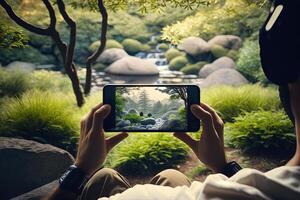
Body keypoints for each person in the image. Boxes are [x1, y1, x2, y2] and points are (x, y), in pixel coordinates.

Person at [46, 1, 300, 199]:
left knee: (103, 177)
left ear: (283, 73)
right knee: (172, 176)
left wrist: (80, 169)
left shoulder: (143, 197)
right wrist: (222, 167)